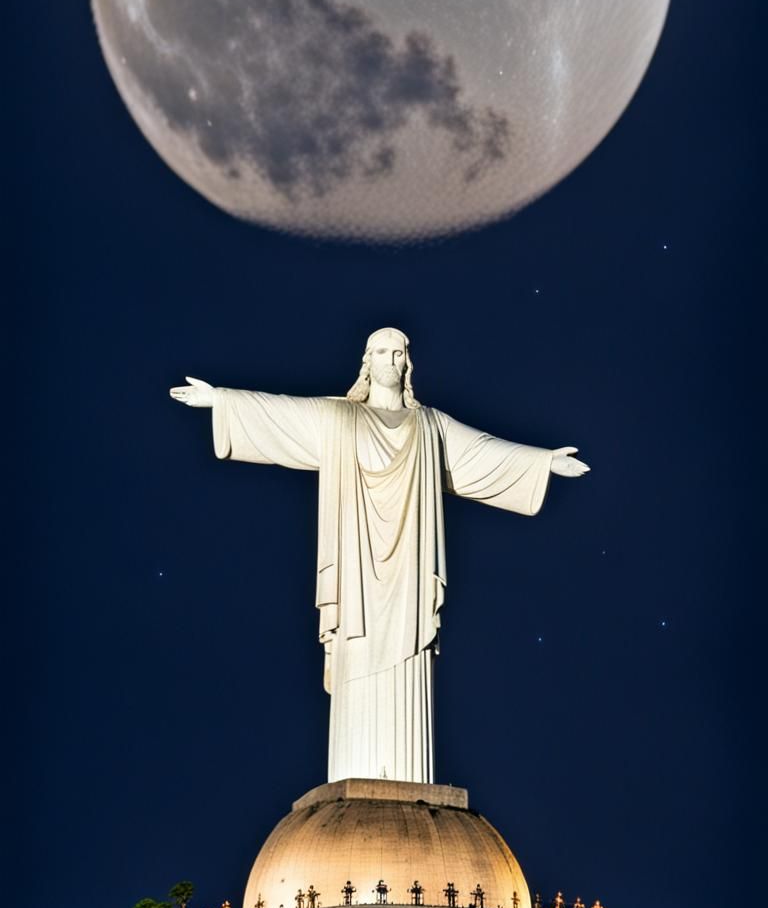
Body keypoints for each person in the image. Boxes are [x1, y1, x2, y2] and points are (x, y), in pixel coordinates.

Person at [171, 327, 588, 783]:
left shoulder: (429, 426)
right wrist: (222, 400)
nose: (391, 359)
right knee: (360, 659)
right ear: (367, 362)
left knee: (410, 659)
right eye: (382, 352)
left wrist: (543, 462)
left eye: (398, 352)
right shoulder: (340, 418)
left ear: (407, 363)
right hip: (356, 578)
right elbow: (284, 413)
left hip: (411, 575)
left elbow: (481, 453)